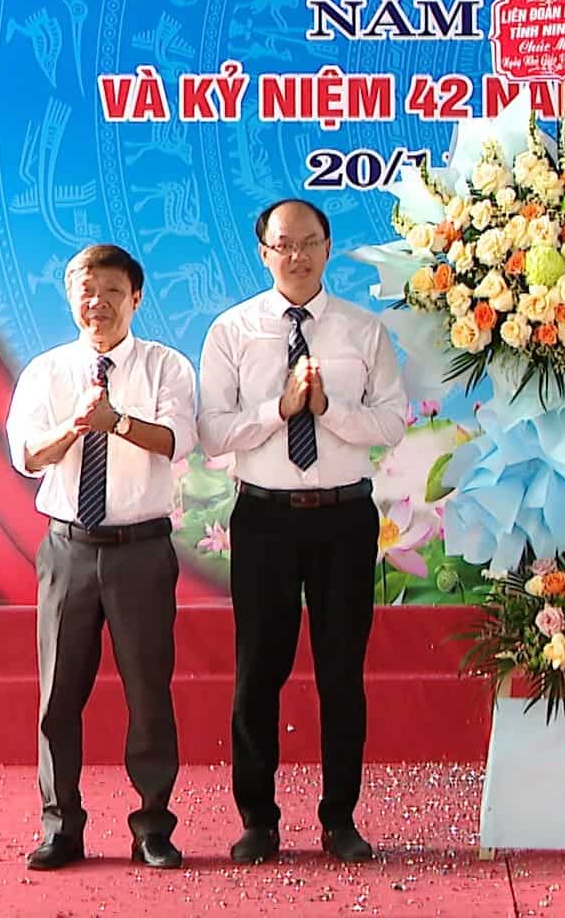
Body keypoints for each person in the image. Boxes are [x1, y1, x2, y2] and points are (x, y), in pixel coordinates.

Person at [199, 199, 408, 865]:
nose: (296, 255)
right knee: (257, 672)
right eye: (282, 244)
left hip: (344, 518)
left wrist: (327, 408)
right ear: (262, 253)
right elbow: (212, 432)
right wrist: (279, 409)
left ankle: (339, 818)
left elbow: (392, 424)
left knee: (341, 674)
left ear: (327, 247)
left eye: (309, 242)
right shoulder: (232, 331)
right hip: (264, 517)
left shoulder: (362, 331)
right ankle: (257, 820)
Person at [5, 245, 195, 871]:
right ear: (70, 299)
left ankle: (152, 828)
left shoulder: (165, 366)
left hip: (141, 548)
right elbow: (27, 455)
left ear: (135, 298)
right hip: (67, 551)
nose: (98, 303)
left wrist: (116, 421)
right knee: (58, 695)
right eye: (86, 291)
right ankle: (61, 828)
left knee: (149, 693)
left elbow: (175, 440)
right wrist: (77, 428)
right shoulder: (45, 371)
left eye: (112, 291)